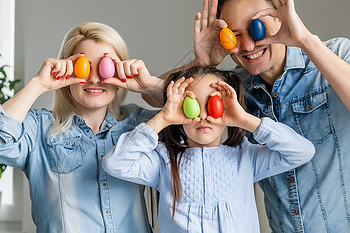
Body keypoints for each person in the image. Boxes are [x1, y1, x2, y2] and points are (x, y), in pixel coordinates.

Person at [154, 0, 350, 232]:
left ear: (280, 18)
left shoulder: (338, 53)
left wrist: (304, 38)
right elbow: (156, 97)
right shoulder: (236, 90)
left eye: (257, 27)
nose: (248, 45)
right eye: (234, 35)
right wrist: (202, 62)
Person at [0, 22, 164, 233]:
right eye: (84, 66)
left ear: (120, 72)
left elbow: (196, 124)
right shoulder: (39, 130)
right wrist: (39, 83)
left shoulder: (139, 123)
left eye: (105, 66)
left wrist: (153, 87)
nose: (94, 78)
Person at [102, 66, 315, 232]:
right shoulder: (163, 161)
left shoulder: (246, 157)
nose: (203, 115)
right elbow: (115, 163)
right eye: (192, 105)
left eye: (213, 104)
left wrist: (245, 120)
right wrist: (164, 118)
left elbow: (302, 151)